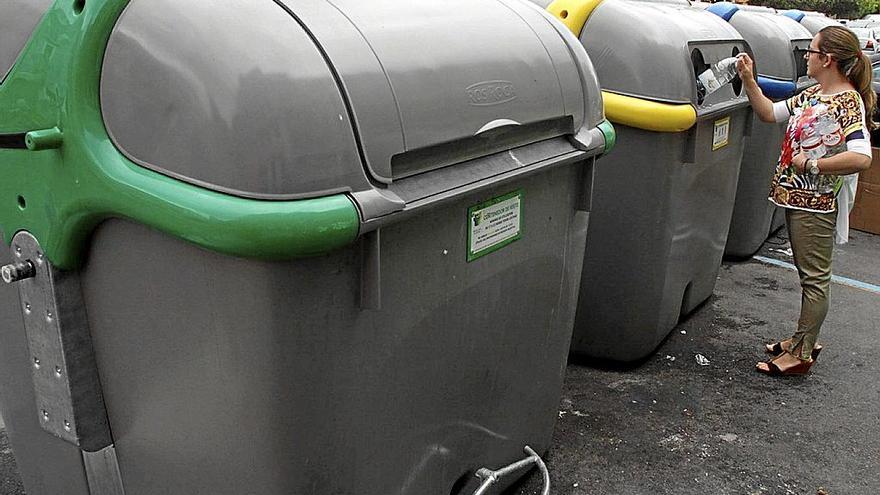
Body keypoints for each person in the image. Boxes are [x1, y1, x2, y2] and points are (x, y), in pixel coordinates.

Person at [736, 26, 874, 376]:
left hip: (816, 203)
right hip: (796, 199)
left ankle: (800, 354)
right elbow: (769, 113)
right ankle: (803, 339)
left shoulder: (846, 101)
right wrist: (749, 79)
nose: (806, 58)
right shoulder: (815, 94)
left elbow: (861, 156)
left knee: (814, 279)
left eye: (810, 52)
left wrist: (813, 164)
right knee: (807, 275)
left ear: (827, 59)